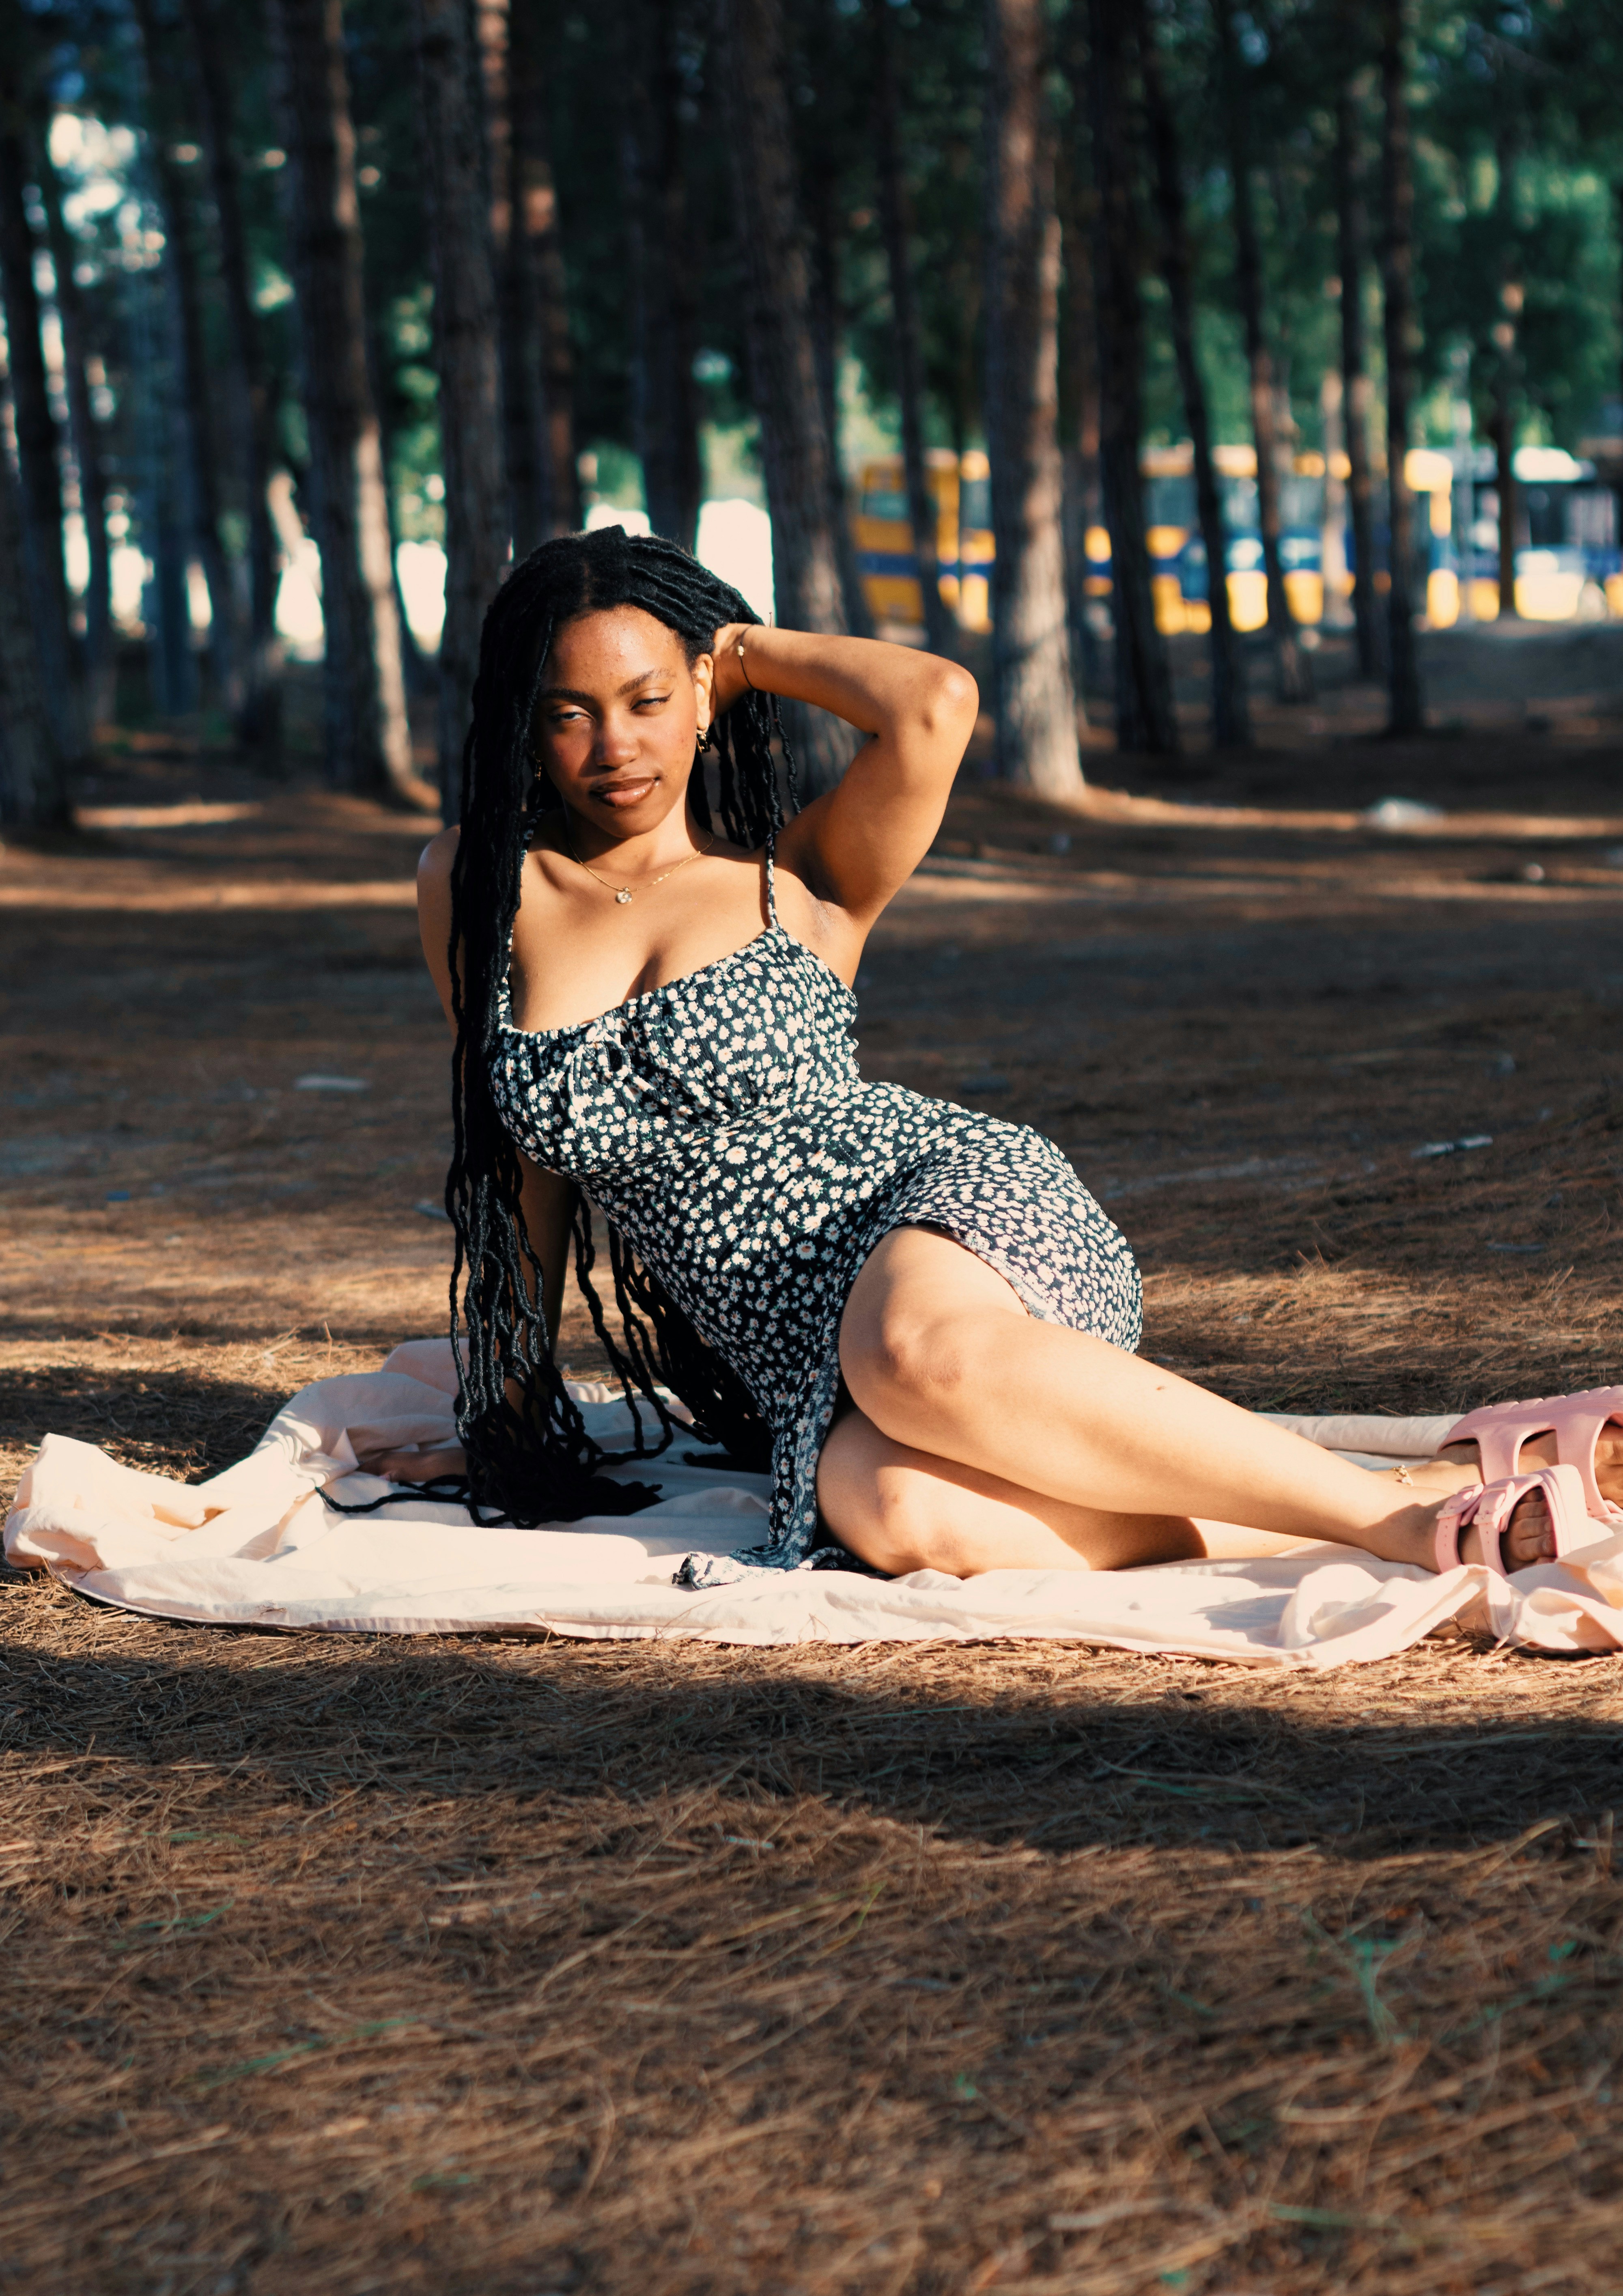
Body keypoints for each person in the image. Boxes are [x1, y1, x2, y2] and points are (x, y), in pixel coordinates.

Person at [364, 525, 1609, 1588]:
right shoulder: (481, 888)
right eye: (569, 714)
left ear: (698, 696)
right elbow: (521, 1177)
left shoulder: (796, 878)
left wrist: (737, 648)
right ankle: (1442, 1479)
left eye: (647, 701)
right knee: (895, 1514)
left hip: (940, 1215)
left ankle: (1411, 1530)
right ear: (525, 729)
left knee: (915, 1352)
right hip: (807, 1353)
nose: (615, 748)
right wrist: (509, 1413)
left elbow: (934, 702)